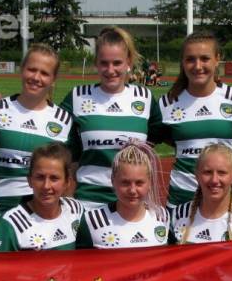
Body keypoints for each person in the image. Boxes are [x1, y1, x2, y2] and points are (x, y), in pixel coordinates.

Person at [60, 26, 162, 209]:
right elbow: (53, 126)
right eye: (104, 63)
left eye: (117, 63)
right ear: (96, 63)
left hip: (133, 202)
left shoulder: (144, 97)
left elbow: (156, 133)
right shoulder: (78, 96)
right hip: (89, 202)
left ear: (128, 62)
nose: (110, 70)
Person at [155, 31, 232, 209]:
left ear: (217, 59)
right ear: (182, 62)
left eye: (205, 59)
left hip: (226, 199)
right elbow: (166, 139)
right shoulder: (167, 103)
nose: (197, 66)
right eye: (190, 59)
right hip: (182, 200)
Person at [0, 44, 74, 214]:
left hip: (41, 213)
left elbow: (68, 173)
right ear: (22, 69)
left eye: (44, 73)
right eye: (32, 69)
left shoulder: (64, 120)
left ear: (53, 79)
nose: (36, 77)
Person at [0, 143, 83, 252]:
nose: (46, 186)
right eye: (40, 177)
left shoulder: (75, 210)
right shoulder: (10, 223)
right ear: (29, 180)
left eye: (54, 178)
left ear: (67, 182)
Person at [169, 144, 232, 244]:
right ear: (197, 175)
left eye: (222, 172)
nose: (214, 180)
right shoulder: (178, 215)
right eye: (207, 172)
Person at [75, 141, 169, 248]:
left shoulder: (161, 216)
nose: (132, 190)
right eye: (125, 183)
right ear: (112, 180)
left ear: (150, 182)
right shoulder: (92, 220)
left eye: (139, 183)